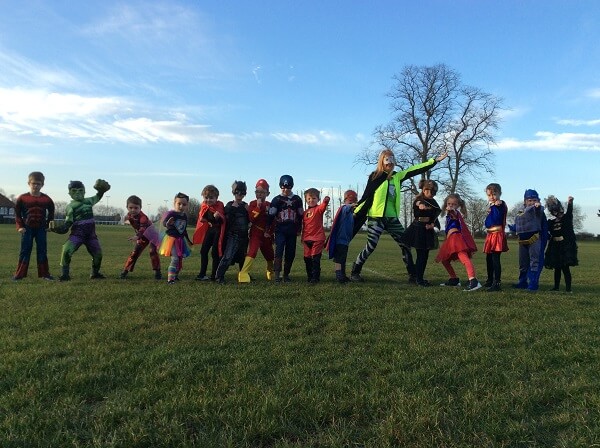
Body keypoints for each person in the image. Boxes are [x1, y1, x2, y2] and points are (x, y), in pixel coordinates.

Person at [350, 149, 448, 282]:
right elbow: (367, 196)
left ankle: (413, 275)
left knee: (405, 244)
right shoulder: (375, 176)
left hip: (392, 218)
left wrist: (434, 161)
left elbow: (415, 169)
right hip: (376, 217)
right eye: (387, 159)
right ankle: (355, 271)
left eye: (392, 159)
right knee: (371, 245)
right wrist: (356, 210)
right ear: (382, 161)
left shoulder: (398, 176)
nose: (389, 162)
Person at [49, 179, 110, 281]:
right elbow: (67, 224)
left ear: (84, 191)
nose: (77, 193)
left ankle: (95, 273)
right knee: (66, 250)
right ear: (69, 193)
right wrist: (57, 229)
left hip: (91, 235)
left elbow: (98, 197)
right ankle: (65, 274)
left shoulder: (88, 201)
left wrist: (101, 191)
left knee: (98, 254)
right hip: (77, 234)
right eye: (74, 191)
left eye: (80, 190)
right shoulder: (70, 207)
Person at [13, 171, 55, 281]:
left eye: (38, 184)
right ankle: (19, 274)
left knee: (42, 250)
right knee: (25, 250)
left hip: (41, 228)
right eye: (34, 183)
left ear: (42, 185)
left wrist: (49, 225)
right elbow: (17, 214)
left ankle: (45, 274)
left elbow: (51, 213)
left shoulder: (47, 199)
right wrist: (20, 226)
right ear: (29, 183)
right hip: (27, 228)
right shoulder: (22, 198)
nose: (36, 186)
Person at [436, 193, 482, 291]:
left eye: (454, 204)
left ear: (458, 205)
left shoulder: (455, 213)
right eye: (449, 203)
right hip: (450, 240)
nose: (451, 205)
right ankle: (454, 279)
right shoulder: (448, 215)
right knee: (445, 260)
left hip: (457, 240)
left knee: (464, 258)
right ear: (446, 204)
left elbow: (455, 214)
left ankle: (473, 280)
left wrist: (452, 211)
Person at [402, 179, 441, 287]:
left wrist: (433, 225)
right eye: (428, 191)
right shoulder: (419, 200)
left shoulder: (434, 202)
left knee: (424, 256)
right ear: (424, 190)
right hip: (417, 229)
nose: (430, 193)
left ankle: (419, 277)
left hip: (427, 231)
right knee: (420, 255)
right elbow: (417, 203)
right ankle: (417, 278)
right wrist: (420, 204)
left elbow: (435, 217)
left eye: (433, 191)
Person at [267, 174, 304, 283]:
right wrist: (267, 229)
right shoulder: (276, 199)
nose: (286, 190)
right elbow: (270, 215)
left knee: (290, 253)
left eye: (288, 187)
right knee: (278, 251)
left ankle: (286, 275)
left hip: (292, 231)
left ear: (292, 186)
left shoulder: (297, 199)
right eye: (283, 187)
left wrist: (299, 228)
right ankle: (277, 275)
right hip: (280, 231)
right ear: (280, 186)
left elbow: (301, 215)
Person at [238, 179, 275, 283]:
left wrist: (270, 233)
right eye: (257, 192)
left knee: (269, 254)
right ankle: (243, 273)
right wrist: (258, 207)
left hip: (266, 234)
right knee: (252, 251)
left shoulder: (270, 204)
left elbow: (273, 221)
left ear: (267, 193)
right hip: (256, 232)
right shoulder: (253, 203)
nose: (259, 194)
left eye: (262, 192)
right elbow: (251, 218)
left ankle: (271, 272)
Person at [511, 189, 547, 292]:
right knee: (523, 263)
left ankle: (533, 284)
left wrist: (537, 206)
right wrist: (513, 227)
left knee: (534, 262)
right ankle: (522, 282)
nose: (531, 202)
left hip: (534, 239)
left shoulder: (538, 209)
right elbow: (519, 222)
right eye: (529, 200)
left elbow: (538, 209)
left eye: (534, 200)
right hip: (522, 241)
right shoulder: (520, 210)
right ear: (525, 201)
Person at [215, 181, 250, 283]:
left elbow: (251, 219)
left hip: (244, 236)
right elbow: (226, 219)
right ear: (233, 192)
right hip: (233, 235)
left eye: (242, 192)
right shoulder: (230, 205)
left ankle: (243, 275)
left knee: (243, 257)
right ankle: (219, 276)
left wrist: (250, 212)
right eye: (237, 192)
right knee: (228, 256)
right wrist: (233, 209)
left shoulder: (245, 206)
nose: (239, 194)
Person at [119, 195, 161, 280]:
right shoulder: (129, 215)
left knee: (152, 252)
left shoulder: (143, 217)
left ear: (140, 208)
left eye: (136, 208)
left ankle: (157, 272)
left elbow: (142, 229)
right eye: (130, 207)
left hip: (153, 235)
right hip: (143, 236)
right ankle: (125, 271)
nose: (133, 210)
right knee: (135, 252)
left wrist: (137, 236)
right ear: (127, 207)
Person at [544, 195, 578, 292]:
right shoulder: (551, 222)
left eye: (560, 210)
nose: (559, 213)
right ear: (553, 213)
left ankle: (568, 289)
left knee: (565, 268)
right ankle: (556, 287)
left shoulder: (567, 218)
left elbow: (570, 211)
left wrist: (570, 202)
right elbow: (544, 226)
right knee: (557, 268)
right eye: (555, 211)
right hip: (555, 246)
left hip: (565, 247)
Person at [192, 185, 225, 281]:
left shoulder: (220, 205)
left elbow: (223, 219)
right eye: (206, 198)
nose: (208, 200)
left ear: (216, 198)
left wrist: (218, 217)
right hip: (210, 230)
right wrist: (204, 219)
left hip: (218, 231)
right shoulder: (204, 205)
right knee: (203, 251)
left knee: (215, 252)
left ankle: (214, 275)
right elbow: (202, 217)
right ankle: (202, 274)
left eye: (211, 198)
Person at [159, 192, 192, 284]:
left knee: (180, 259)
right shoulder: (171, 214)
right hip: (171, 240)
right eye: (179, 204)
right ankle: (170, 279)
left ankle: (175, 275)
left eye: (184, 204)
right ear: (174, 203)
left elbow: (183, 230)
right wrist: (168, 223)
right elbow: (164, 223)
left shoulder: (184, 216)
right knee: (175, 259)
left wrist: (188, 240)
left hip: (181, 240)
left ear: (187, 205)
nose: (181, 206)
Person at [326, 189, 357, 284]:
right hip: (340, 240)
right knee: (339, 259)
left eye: (353, 201)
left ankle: (343, 275)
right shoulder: (344, 209)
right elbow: (346, 208)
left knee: (343, 259)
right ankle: (339, 276)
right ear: (345, 200)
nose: (352, 203)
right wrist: (351, 205)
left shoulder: (351, 213)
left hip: (345, 241)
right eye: (349, 201)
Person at [482, 183, 509, 292]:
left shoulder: (500, 204)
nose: (492, 197)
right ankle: (490, 279)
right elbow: (488, 222)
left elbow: (500, 209)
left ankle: (496, 282)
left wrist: (499, 204)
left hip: (497, 234)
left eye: (494, 194)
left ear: (499, 194)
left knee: (495, 259)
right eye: (489, 195)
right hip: (490, 234)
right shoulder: (491, 206)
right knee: (489, 258)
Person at [302, 188, 330, 283]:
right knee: (307, 259)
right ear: (306, 200)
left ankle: (315, 277)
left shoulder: (318, 209)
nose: (311, 200)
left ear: (318, 199)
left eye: (314, 198)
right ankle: (309, 276)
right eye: (309, 198)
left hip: (317, 238)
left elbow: (323, 206)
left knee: (315, 259)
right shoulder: (305, 213)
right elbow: (304, 226)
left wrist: (325, 201)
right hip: (307, 239)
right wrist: (302, 238)